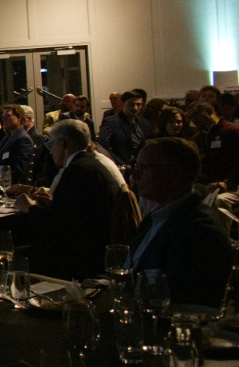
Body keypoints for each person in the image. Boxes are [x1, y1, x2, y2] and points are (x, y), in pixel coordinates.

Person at [128, 138, 233, 307]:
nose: (134, 176)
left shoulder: (200, 231)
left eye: (143, 168)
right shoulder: (154, 218)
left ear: (175, 174)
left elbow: (182, 303)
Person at [15, 119, 121, 281]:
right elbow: (76, 213)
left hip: (79, 259)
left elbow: (60, 227)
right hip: (95, 249)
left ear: (62, 143)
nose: (50, 150)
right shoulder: (92, 164)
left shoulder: (77, 170)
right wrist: (52, 204)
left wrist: (30, 208)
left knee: (15, 252)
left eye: (51, 143)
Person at [186, 103, 239, 190]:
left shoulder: (232, 131)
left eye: (197, 116)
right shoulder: (198, 138)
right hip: (204, 184)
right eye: (192, 118)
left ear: (209, 111)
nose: (195, 121)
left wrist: (228, 182)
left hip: (227, 185)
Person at [98, 89, 153, 166]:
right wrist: (121, 164)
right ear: (123, 103)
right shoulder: (111, 122)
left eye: (138, 105)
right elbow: (103, 146)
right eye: (131, 104)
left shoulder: (144, 123)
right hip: (123, 165)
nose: (135, 108)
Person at [0, 104, 33, 185]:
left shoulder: (23, 139)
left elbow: (19, 170)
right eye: (3, 117)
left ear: (19, 117)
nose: (4, 119)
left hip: (11, 184)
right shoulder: (7, 137)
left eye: (8, 116)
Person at [20, 104, 56, 187]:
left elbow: (44, 170)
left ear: (28, 119)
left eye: (19, 118)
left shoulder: (40, 140)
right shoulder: (10, 138)